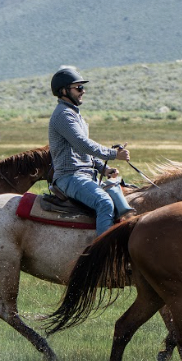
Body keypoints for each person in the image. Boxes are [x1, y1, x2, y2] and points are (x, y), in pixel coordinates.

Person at [47, 65, 134, 235]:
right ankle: (103, 250)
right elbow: (83, 144)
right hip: (70, 177)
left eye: (82, 87)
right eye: (78, 87)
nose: (83, 91)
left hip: (85, 175)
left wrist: (103, 168)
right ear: (64, 91)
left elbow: (84, 152)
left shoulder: (75, 115)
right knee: (104, 203)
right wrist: (114, 154)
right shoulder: (63, 115)